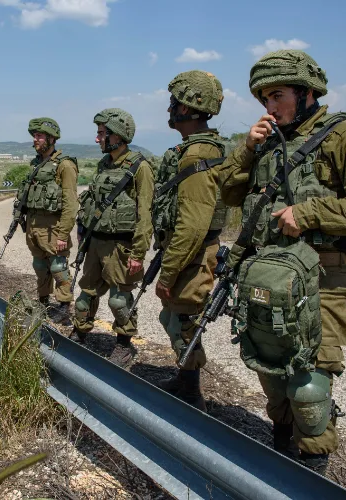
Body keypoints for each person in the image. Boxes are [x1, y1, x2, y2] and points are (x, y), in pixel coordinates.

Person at [219, 50, 346, 474]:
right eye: (264, 99)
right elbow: (227, 194)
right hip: (267, 273)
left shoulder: (345, 136)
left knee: (308, 383)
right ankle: (281, 453)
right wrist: (247, 150)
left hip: (321, 276)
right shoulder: (265, 140)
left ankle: (314, 468)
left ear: (306, 93)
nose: (270, 106)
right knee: (270, 370)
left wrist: (309, 214)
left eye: (277, 95)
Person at [152, 70, 228, 411]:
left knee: (184, 323)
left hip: (193, 255)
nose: (169, 108)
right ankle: (185, 383)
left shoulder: (197, 153)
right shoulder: (194, 148)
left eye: (175, 103)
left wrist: (167, 274)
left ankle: (193, 400)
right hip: (188, 253)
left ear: (191, 107)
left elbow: (192, 225)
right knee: (174, 321)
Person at [71, 108, 154, 367]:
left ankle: (123, 344)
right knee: (86, 295)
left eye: (101, 134)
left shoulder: (140, 168)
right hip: (96, 242)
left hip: (121, 245)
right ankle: (80, 333)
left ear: (117, 135)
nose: (97, 139)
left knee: (119, 299)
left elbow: (145, 214)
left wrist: (139, 253)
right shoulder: (104, 164)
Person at [20, 118, 79, 322]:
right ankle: (43, 302)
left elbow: (71, 203)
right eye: (34, 136)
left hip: (53, 227)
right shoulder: (35, 164)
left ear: (52, 138)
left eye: (39, 136)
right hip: (34, 225)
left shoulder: (65, 165)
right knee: (39, 266)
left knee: (58, 267)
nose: (35, 140)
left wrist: (63, 233)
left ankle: (64, 306)